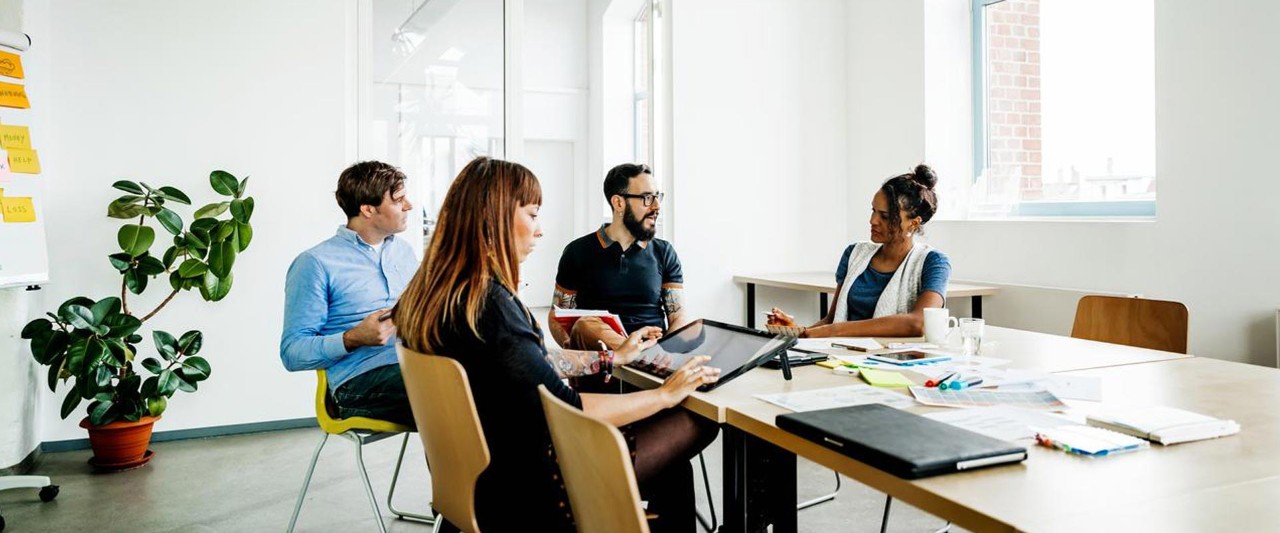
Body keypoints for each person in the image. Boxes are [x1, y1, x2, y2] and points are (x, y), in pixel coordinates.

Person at [394, 157, 719, 532]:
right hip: (534, 485)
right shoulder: (491, 305)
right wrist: (664, 396)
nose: (539, 230)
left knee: (672, 467)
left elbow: (528, 362)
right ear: (495, 217)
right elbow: (568, 407)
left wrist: (609, 360)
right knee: (698, 418)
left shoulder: (439, 298)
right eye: (533, 215)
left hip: (483, 474)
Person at [280, 161, 418, 426]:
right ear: (368, 209)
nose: (408, 206)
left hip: (414, 364)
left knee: (492, 376)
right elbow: (292, 352)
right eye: (399, 199)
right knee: (457, 392)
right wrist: (354, 338)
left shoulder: (404, 252)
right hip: (358, 383)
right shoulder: (315, 263)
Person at [548, 163, 690, 391]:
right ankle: (637, 356)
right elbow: (557, 315)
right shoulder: (577, 252)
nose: (656, 206)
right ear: (618, 203)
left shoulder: (664, 252)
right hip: (602, 362)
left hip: (655, 358)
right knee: (585, 325)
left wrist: (665, 352)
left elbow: (678, 316)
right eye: (646, 198)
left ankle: (642, 358)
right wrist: (574, 347)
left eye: (657, 196)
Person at [769, 164, 951, 338]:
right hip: (841, 358)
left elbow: (919, 323)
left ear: (914, 222)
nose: (873, 220)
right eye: (873, 211)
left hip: (890, 362)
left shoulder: (933, 263)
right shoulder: (854, 254)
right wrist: (798, 332)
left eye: (885, 216)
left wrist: (835, 331)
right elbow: (831, 321)